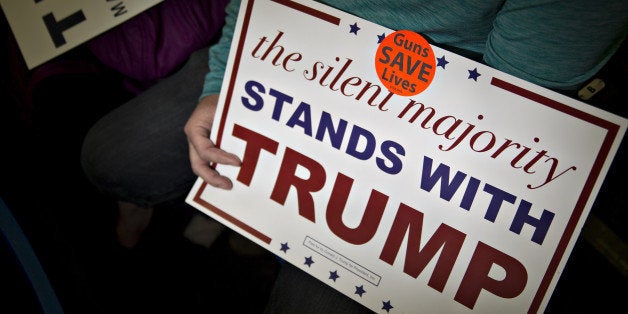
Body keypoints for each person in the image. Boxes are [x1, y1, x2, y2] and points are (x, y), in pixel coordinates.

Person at [81, 0, 627, 312]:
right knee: (110, 160)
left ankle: (245, 221)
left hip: (435, 112)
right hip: (286, 46)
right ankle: (223, 215)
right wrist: (223, 81)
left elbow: (510, 104)